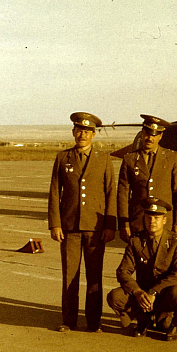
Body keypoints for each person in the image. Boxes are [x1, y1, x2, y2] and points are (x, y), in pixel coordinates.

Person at [48, 112, 116, 333]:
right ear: (73, 132)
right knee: (70, 275)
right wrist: (55, 224)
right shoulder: (62, 158)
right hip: (69, 227)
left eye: (87, 131)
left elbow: (110, 194)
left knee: (94, 276)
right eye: (79, 130)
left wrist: (109, 225)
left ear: (93, 135)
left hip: (95, 228)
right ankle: (68, 320)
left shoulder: (104, 159)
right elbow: (54, 193)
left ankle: (94, 322)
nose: (82, 135)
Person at [107, 198, 177, 341]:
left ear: (164, 220)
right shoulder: (136, 241)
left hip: (165, 293)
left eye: (157, 218)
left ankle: (173, 324)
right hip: (143, 295)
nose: (152, 222)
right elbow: (123, 271)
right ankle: (143, 320)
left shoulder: (176, 241)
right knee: (115, 296)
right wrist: (137, 291)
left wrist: (154, 291)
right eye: (149, 218)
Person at [117, 114, 177, 243]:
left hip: (165, 222)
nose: (150, 138)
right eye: (147, 134)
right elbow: (123, 194)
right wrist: (124, 223)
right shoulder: (130, 159)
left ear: (160, 136)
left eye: (154, 135)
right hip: (138, 222)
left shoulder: (171, 158)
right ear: (142, 133)